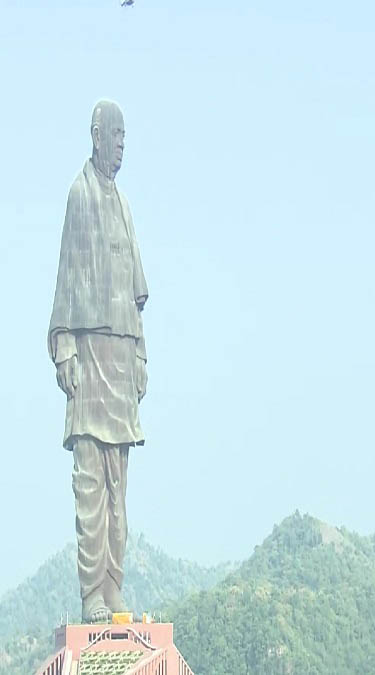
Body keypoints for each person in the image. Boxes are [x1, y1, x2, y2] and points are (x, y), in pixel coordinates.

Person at [48, 99, 150, 623]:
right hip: (88, 354)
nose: (121, 145)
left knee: (118, 483)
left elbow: (136, 296)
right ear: (95, 135)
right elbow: (67, 275)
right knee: (89, 478)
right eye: (115, 135)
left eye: (125, 137)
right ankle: (91, 592)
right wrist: (64, 343)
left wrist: (141, 359)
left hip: (122, 354)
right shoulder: (79, 195)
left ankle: (113, 589)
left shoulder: (126, 204)